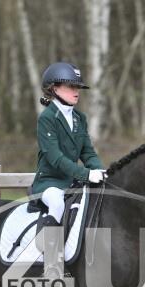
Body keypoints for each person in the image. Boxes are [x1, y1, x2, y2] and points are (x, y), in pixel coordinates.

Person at [29, 61, 106, 261]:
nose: (76, 91)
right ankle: (51, 261)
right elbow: (55, 158)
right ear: (55, 89)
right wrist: (86, 174)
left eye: (78, 87)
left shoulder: (79, 118)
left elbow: (88, 153)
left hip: (72, 182)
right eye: (71, 86)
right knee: (56, 204)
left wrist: (100, 171)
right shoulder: (47, 118)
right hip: (49, 183)